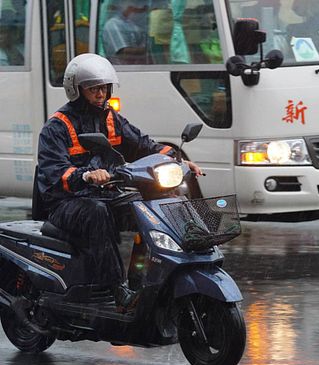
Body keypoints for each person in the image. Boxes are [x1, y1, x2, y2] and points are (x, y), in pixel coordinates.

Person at [37, 53, 202, 308]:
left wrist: (177, 159)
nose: (100, 93)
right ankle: (117, 289)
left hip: (104, 194)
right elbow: (55, 174)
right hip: (65, 203)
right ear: (76, 90)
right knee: (97, 212)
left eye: (103, 87)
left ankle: (142, 279)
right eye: (93, 88)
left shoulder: (109, 118)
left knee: (147, 208)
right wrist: (86, 175)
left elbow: (143, 144)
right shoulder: (57, 127)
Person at [102, 0, 149, 64]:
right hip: (121, 68)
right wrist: (150, 50)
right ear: (121, 4)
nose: (137, 7)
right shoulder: (114, 24)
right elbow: (124, 53)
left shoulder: (133, 25)